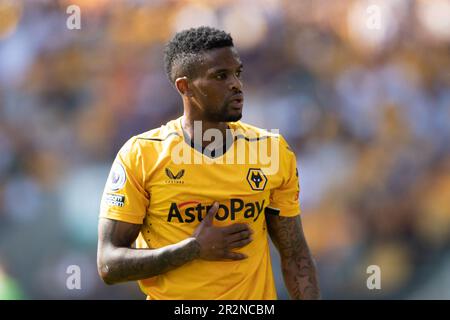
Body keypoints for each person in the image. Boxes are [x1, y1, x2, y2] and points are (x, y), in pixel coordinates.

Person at [97, 26, 320, 300]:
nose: (236, 84)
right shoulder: (142, 155)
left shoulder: (271, 151)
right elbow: (109, 263)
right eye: (220, 76)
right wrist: (193, 248)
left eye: (238, 73)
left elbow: (295, 256)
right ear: (185, 86)